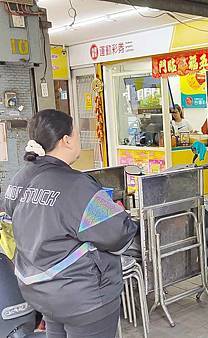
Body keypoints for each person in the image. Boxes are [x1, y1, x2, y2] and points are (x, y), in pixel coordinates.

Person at [2, 109, 139, 338]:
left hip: (42, 292)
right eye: (76, 134)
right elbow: (118, 232)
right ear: (66, 140)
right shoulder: (76, 186)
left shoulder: (19, 180)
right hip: (84, 298)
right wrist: (119, 212)